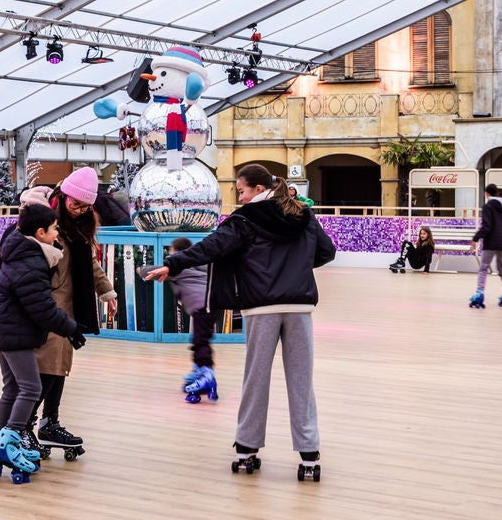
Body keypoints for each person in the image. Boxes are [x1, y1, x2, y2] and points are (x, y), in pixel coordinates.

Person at [147, 163, 335, 479]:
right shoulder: (302, 214)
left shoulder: (244, 220)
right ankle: (309, 456)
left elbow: (210, 247)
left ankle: (247, 450)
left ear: (258, 190)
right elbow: (327, 252)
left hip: (261, 308)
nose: (241, 197)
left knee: (256, 379)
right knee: (301, 381)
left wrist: (172, 264)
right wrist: (298, 266)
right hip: (300, 306)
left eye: (243, 190)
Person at [0, 204, 83, 483]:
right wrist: (71, 328)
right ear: (40, 232)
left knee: (13, 388)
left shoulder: (20, 251)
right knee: (30, 387)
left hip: (6, 330)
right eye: (53, 230)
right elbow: (41, 307)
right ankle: (9, 441)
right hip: (15, 334)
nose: (56, 235)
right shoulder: (31, 260)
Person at [32, 166, 116, 457]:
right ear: (64, 194)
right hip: (46, 306)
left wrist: (106, 290)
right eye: (75, 203)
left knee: (59, 368)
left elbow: (89, 263)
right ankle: (27, 426)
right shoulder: (45, 221)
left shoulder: (79, 226)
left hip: (68, 308)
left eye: (85, 206)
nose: (79, 210)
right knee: (45, 370)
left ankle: (48, 422)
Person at [166, 236, 215, 402]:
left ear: (178, 252)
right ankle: (198, 370)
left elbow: (156, 271)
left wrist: (141, 270)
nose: (169, 253)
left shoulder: (179, 266)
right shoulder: (202, 263)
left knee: (200, 341)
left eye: (171, 250)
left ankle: (206, 372)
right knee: (198, 338)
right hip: (210, 304)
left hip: (201, 307)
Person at [469, 183, 502, 309]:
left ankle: (479, 294)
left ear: (486, 193)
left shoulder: (487, 206)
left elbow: (487, 226)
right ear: (497, 192)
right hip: (501, 243)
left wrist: (476, 238)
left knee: (483, 268)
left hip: (490, 242)